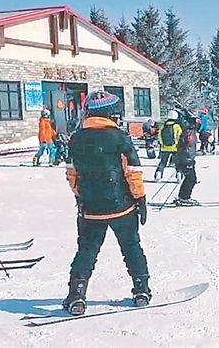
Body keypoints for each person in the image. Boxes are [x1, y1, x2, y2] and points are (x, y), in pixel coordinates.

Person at [63, 90, 150, 315]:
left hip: (91, 209)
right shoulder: (120, 138)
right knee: (131, 247)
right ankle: (141, 289)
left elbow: (72, 174)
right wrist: (139, 197)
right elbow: (132, 172)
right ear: (110, 113)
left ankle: (77, 295)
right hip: (122, 206)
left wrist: (82, 196)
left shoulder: (77, 138)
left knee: (87, 251)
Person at [173, 109, 200, 206]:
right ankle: (184, 197)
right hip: (185, 159)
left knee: (190, 178)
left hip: (184, 158)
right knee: (191, 179)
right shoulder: (189, 133)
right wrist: (188, 159)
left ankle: (183, 197)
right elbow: (187, 147)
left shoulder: (188, 132)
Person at [154, 110, 182, 181]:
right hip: (175, 148)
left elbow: (159, 136)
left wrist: (162, 144)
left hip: (165, 148)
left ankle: (159, 173)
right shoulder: (177, 126)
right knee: (178, 162)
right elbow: (180, 137)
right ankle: (179, 175)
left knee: (163, 162)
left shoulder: (163, 125)